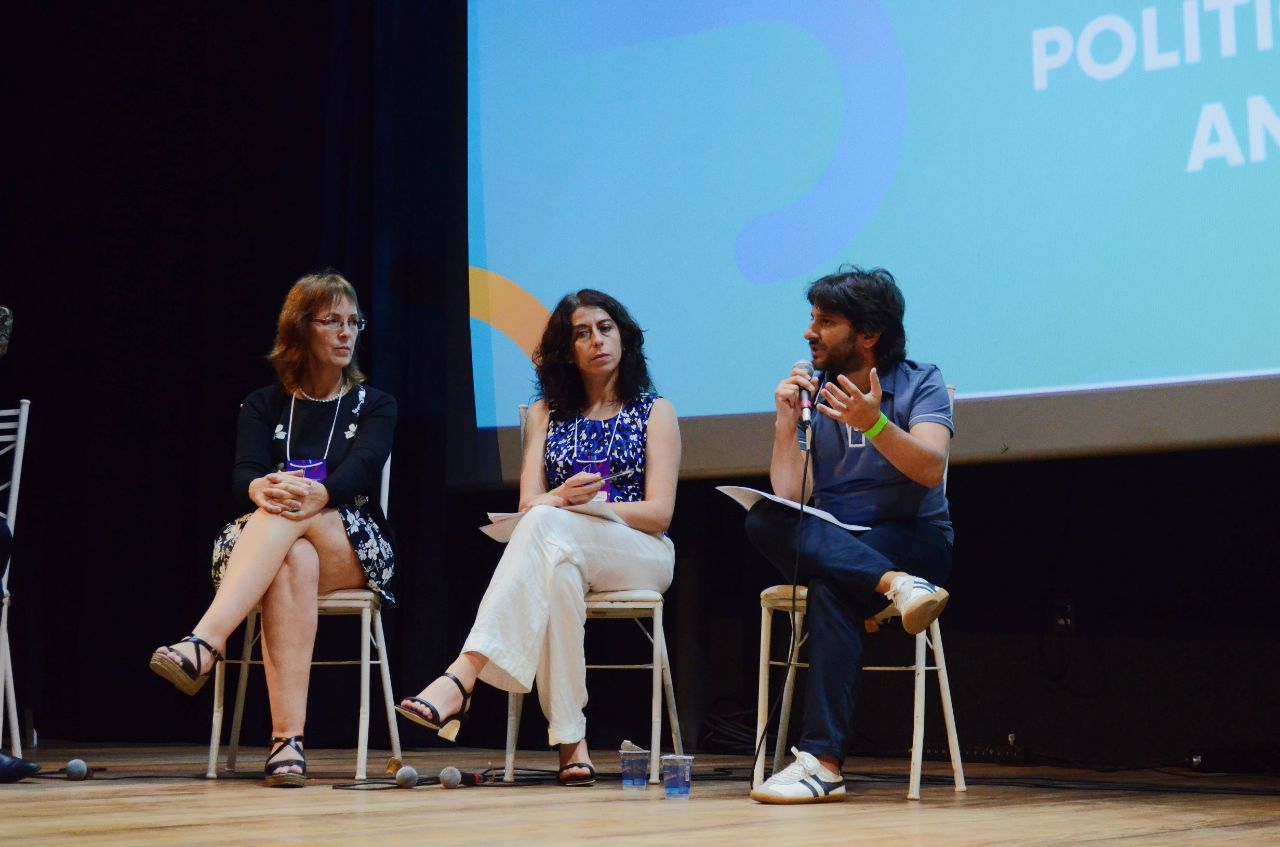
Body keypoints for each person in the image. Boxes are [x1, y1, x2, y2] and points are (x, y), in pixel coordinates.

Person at [397, 289, 679, 787]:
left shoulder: (654, 410)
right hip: (565, 548)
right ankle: (572, 742)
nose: (597, 340)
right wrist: (559, 498)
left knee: (547, 526)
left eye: (605, 328)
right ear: (567, 350)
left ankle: (463, 674)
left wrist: (577, 507)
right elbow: (531, 501)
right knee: (558, 574)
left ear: (624, 337)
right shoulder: (547, 412)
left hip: (640, 551)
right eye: (582, 333)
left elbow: (659, 514)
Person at [149, 272, 397, 788]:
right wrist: (259, 487)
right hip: (273, 545)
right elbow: (244, 472)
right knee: (292, 557)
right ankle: (287, 743)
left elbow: (363, 468)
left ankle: (205, 641)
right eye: (331, 321)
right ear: (301, 328)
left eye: (354, 322)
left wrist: (319, 493)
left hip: (350, 540)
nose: (346, 333)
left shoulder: (375, 404)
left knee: (292, 514)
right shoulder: (263, 403)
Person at [745, 265, 954, 804]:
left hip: (913, 536)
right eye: (812, 319)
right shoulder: (813, 390)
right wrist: (785, 421)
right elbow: (791, 493)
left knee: (831, 586)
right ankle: (896, 585)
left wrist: (874, 423)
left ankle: (823, 763)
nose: (809, 332)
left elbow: (930, 468)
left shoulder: (921, 381)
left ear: (868, 334)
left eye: (825, 322)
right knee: (762, 517)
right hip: (845, 538)